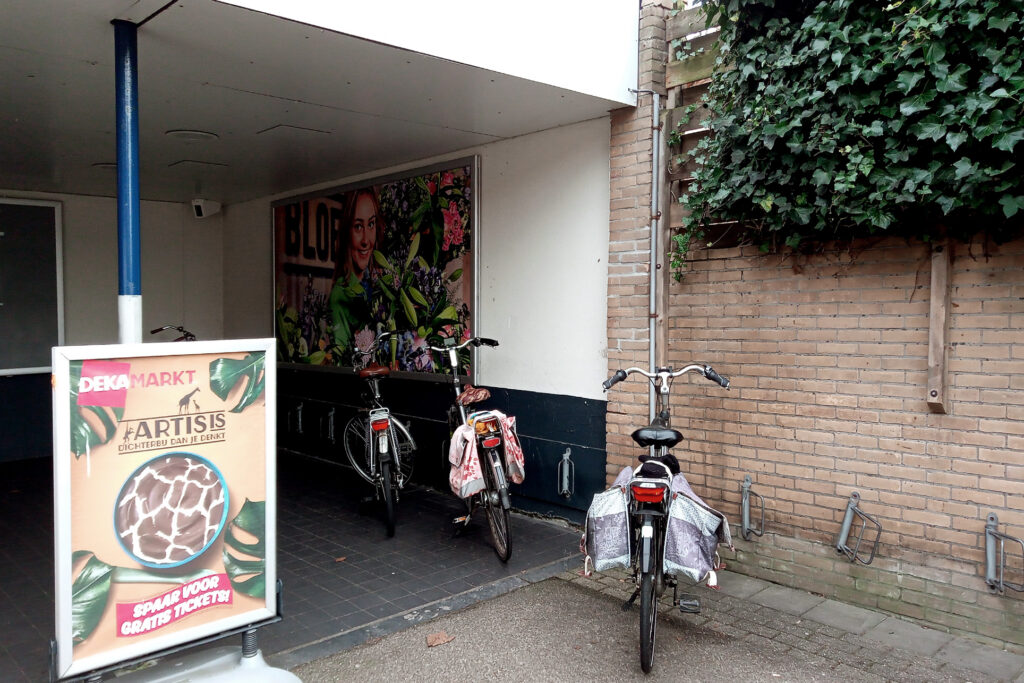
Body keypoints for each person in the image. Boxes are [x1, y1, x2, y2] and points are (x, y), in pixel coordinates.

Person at [329, 187, 383, 355]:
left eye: (371, 224)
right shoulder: (340, 294)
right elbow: (340, 360)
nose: (366, 240)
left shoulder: (380, 285)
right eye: (358, 227)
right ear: (346, 231)